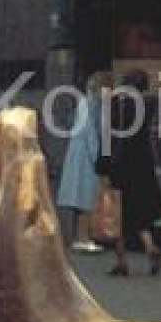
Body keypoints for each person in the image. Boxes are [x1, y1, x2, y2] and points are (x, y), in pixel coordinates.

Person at [100, 70, 161, 276]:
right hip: (143, 163)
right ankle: (150, 246)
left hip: (120, 163)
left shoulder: (116, 103)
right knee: (139, 211)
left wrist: (103, 165)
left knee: (116, 213)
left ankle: (122, 262)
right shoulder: (149, 103)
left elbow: (108, 135)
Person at [57, 70, 110, 252]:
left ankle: (83, 237)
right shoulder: (88, 104)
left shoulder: (90, 104)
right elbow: (89, 133)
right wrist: (98, 157)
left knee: (83, 198)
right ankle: (82, 238)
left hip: (82, 154)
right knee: (84, 198)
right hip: (84, 157)